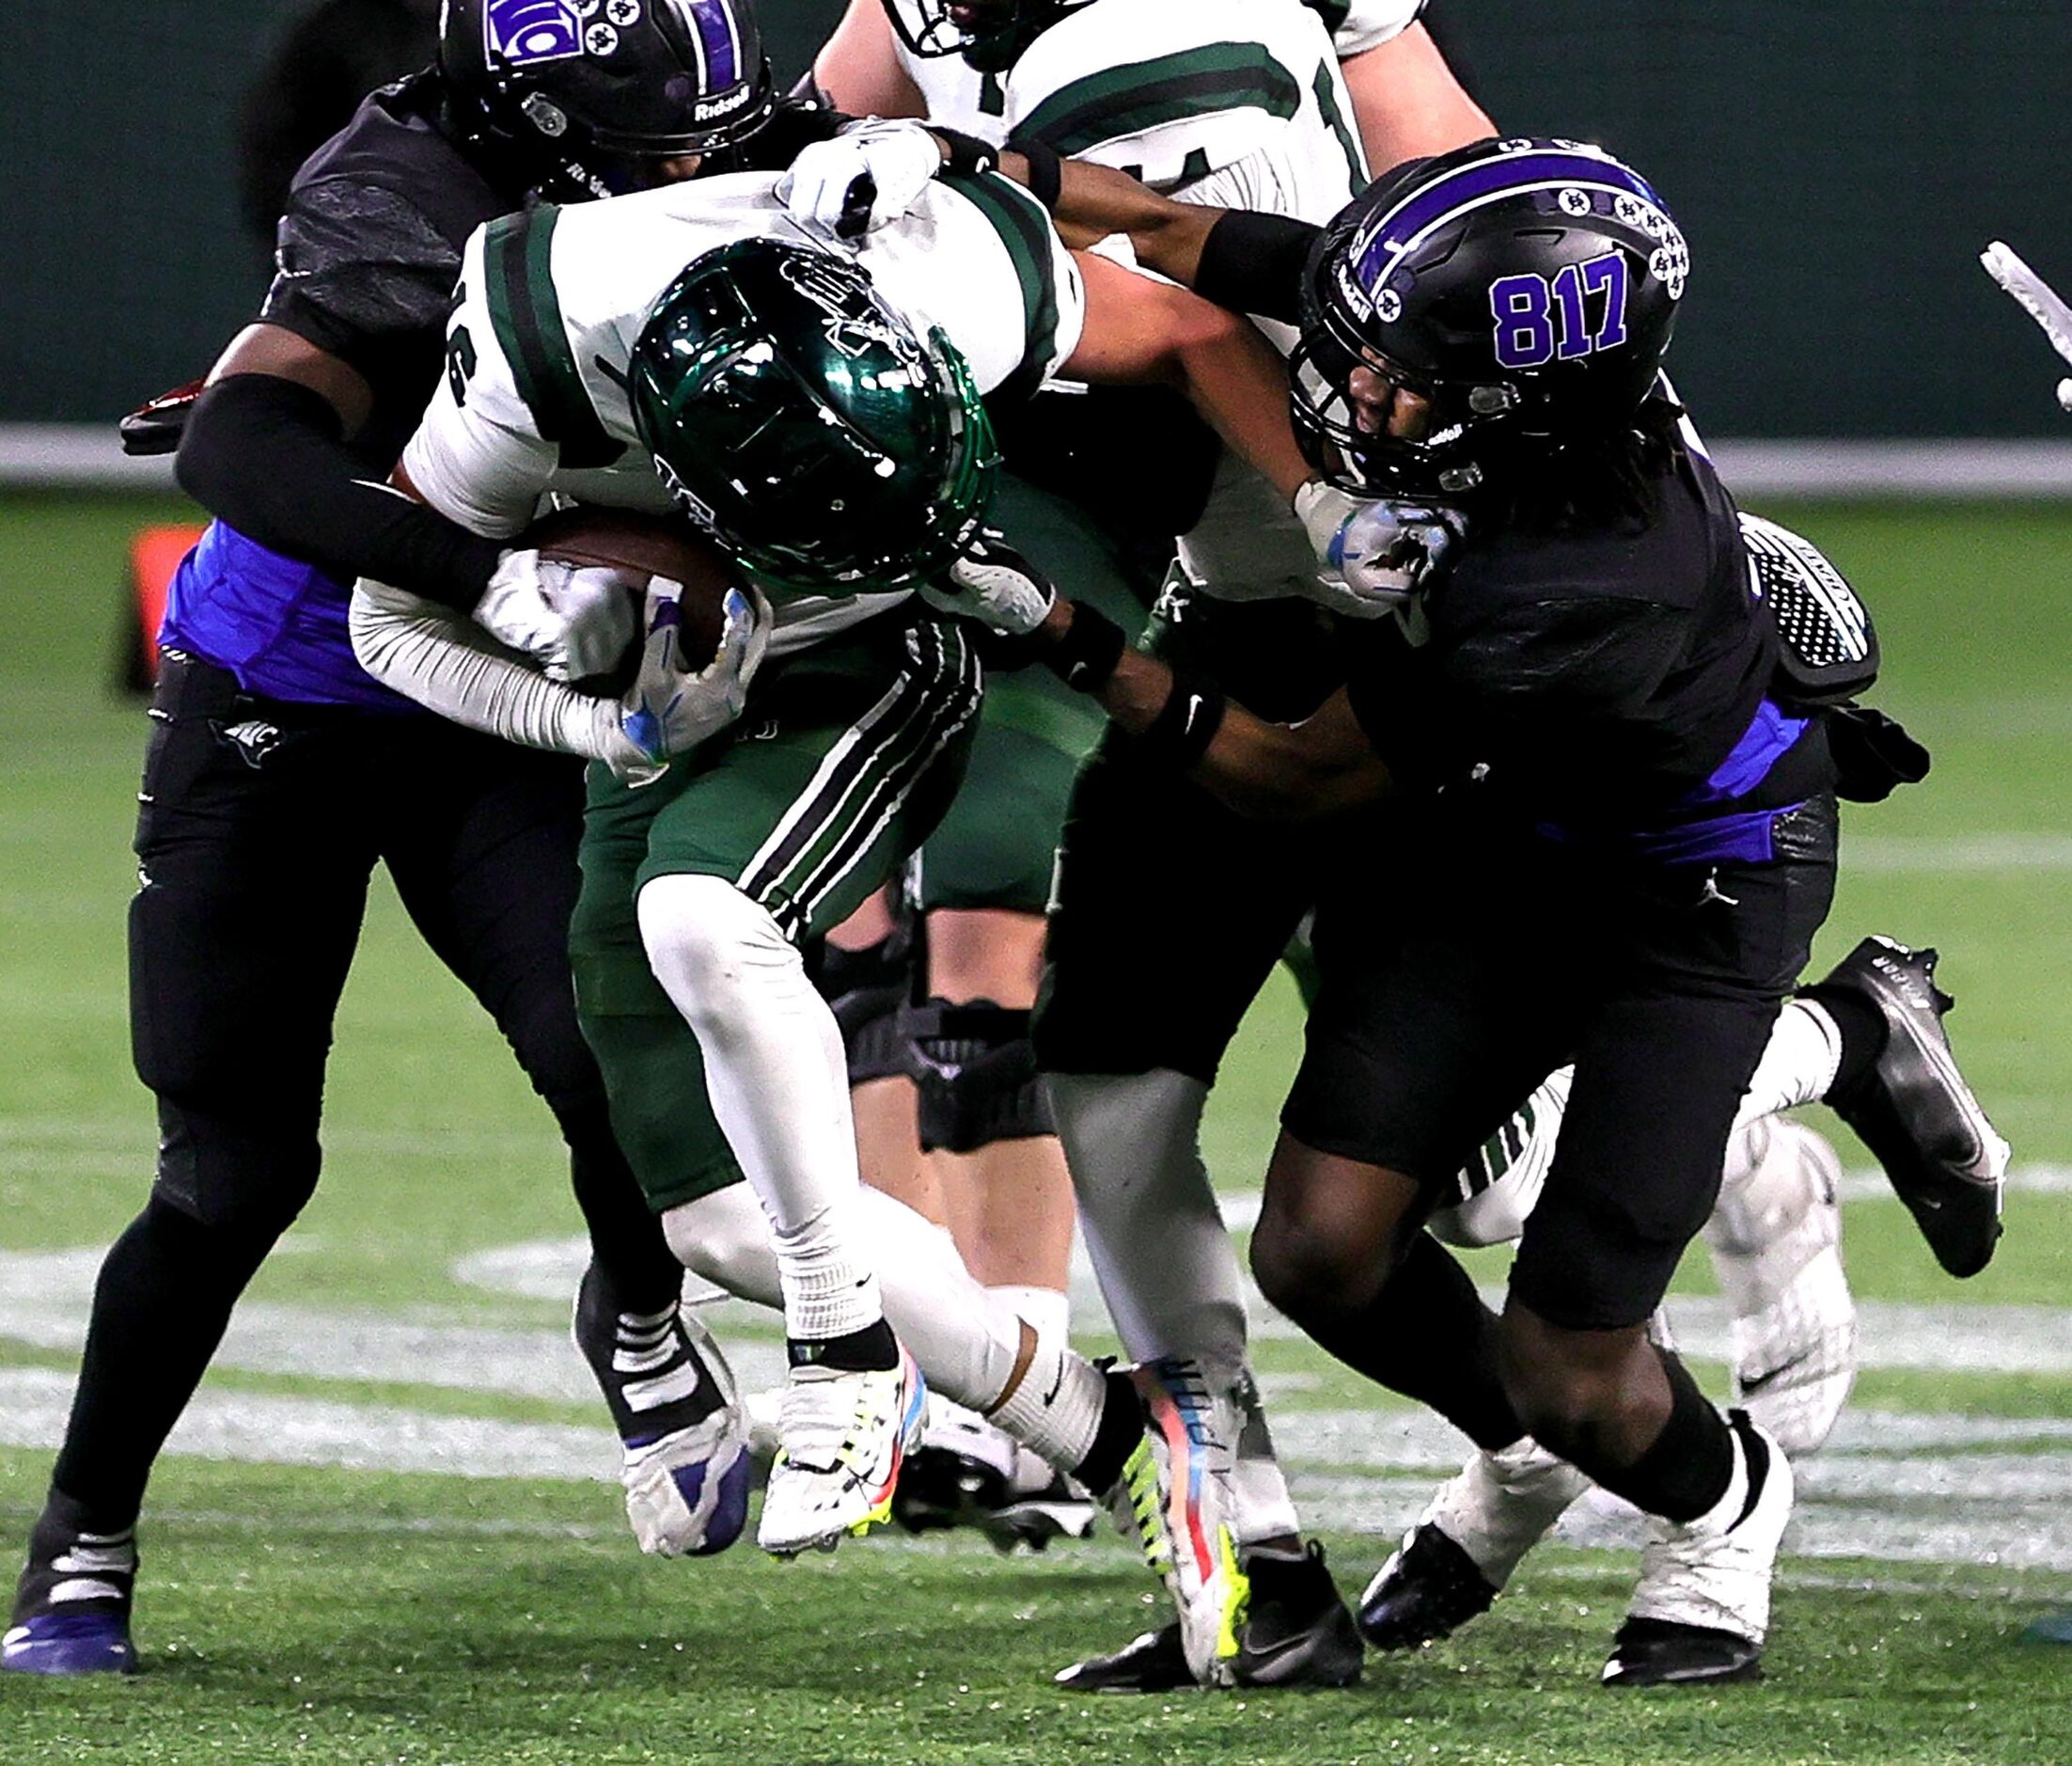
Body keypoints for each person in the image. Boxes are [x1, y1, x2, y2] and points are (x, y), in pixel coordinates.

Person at [922, 135, 2009, 1686]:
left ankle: (1727, 1497)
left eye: (1395, 379)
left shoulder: (1578, 576)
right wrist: (973, 166)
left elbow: (1297, 782)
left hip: (1682, 887)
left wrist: (1060, 628)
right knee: (1326, 1247)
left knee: (1578, 1363)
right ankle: (1524, 1448)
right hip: (1500, 832)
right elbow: (1172, 223)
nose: (1352, 398)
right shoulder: (1479, 361)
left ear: (1517, 404)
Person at [343, 149, 1394, 1673]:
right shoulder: (532, 329)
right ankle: (1122, 1442)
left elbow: (1174, 325)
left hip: (916, 613)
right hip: (678, 663)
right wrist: (597, 721)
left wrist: (1310, 497)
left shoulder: (962, 266)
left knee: (708, 923)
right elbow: (386, 617)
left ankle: (844, 1343)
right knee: (715, 1215)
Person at [1, 0, 814, 1679]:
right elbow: (237, 444)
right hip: (292, 693)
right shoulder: (405, 192)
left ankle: (640, 1308)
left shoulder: (719, 150)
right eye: (657, 137)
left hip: (489, 711)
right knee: (233, 1172)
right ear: (530, 129)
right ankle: (81, 1538)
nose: (697, 161)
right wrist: (501, 574)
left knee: (612, 1052)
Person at [797, 0, 1490, 1648]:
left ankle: (1802, 1094)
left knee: (1485, 1175)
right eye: (1117, 172)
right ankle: (1251, 1547)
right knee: (1102, 1088)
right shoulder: (1082, 254)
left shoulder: (1461, 344)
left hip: (1449, 679)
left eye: (1187, 157)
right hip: (1232, 640)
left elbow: (1443, 179)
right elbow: (830, 150)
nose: (1156, 188)